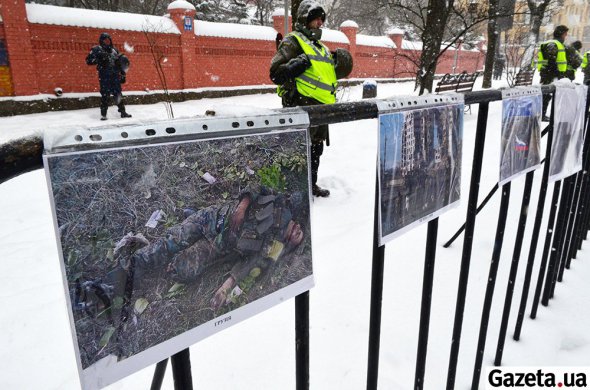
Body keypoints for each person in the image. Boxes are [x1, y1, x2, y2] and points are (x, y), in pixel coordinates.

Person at [75, 188, 307, 312]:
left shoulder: (276, 246)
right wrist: (243, 204)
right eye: (296, 228)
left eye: (298, 234)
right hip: (211, 218)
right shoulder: (278, 204)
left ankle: (185, 229)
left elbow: (251, 266)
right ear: (295, 218)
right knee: (167, 245)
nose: (295, 231)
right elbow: (254, 190)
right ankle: (107, 286)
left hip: (215, 248)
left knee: (180, 270)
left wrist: (224, 290)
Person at [270, 0, 353, 198]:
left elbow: (324, 75)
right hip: (299, 105)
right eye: (315, 19)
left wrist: (339, 65)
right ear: (304, 20)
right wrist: (296, 64)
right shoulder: (293, 41)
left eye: (321, 20)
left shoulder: (321, 48)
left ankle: (310, 185)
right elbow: (275, 73)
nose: (319, 23)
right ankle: (294, 190)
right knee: (298, 152)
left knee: (316, 150)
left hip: (321, 110)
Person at [86, 32, 132, 120]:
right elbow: (88, 61)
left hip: (115, 76)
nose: (107, 41)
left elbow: (119, 63)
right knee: (105, 95)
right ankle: (104, 115)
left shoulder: (114, 50)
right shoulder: (96, 49)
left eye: (108, 39)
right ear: (101, 40)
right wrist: (99, 58)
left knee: (118, 94)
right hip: (104, 76)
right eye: (105, 40)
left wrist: (122, 73)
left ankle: (123, 112)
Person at [537, 25, 568, 121]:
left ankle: (542, 114)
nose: (566, 36)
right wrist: (558, 74)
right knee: (546, 94)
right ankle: (541, 114)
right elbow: (551, 60)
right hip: (550, 74)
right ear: (561, 34)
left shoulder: (555, 43)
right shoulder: (553, 44)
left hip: (548, 73)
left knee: (547, 94)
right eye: (565, 34)